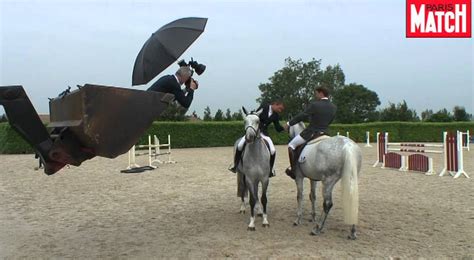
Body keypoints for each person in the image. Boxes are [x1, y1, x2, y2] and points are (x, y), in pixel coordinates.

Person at [284, 86, 336, 179]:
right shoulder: (333, 107)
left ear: (321, 93)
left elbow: (303, 115)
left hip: (311, 132)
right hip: (326, 132)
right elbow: (330, 121)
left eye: (316, 93)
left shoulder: (315, 105)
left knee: (291, 145)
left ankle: (293, 169)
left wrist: (289, 123)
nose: (316, 95)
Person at [229, 100, 286, 177]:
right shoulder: (264, 107)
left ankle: (270, 169)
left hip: (264, 134)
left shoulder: (276, 115)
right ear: (275, 104)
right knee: (239, 145)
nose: (280, 111)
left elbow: (277, 128)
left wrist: (285, 127)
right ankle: (235, 165)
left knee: (273, 150)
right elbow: (255, 116)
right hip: (254, 131)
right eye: (280, 108)